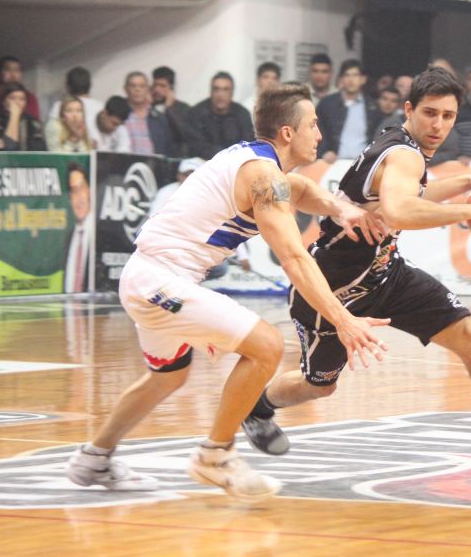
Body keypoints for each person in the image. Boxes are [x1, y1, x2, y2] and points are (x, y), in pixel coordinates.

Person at [242, 67, 471, 487]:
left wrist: (466, 183)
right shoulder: (406, 155)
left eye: (448, 116)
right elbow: (401, 210)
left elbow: (407, 195)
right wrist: (470, 210)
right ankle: (257, 407)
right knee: (319, 386)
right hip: (333, 286)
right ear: (409, 109)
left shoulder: (400, 146)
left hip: (387, 274)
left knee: (470, 336)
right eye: (430, 114)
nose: (438, 125)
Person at [65, 84, 389, 501]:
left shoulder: (261, 165)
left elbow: (303, 191)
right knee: (267, 346)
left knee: (167, 376)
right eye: (313, 124)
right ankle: (215, 455)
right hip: (159, 281)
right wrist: (343, 320)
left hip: (152, 278)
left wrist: (340, 208)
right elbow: (294, 258)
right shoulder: (263, 175)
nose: (320, 134)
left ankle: (94, 457)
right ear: (288, 133)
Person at [316, 59, 382, 162]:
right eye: (347, 75)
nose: (351, 80)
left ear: (363, 79)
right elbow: (317, 131)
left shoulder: (373, 107)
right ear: (341, 79)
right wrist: (324, 152)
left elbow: (379, 136)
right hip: (332, 163)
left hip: (363, 164)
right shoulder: (326, 104)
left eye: (355, 75)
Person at [188, 72, 254, 159]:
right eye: (216, 89)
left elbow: (248, 144)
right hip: (204, 162)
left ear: (232, 93)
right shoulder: (196, 113)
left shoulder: (242, 114)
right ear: (211, 92)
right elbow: (197, 146)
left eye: (225, 89)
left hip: (235, 160)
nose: (220, 94)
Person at [123, 71, 177, 156]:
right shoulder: (119, 115)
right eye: (133, 86)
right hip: (124, 162)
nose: (137, 90)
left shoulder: (158, 117)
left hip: (152, 162)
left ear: (148, 89)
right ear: (125, 89)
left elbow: (168, 147)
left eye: (142, 86)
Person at [47, 66, 102, 140]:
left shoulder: (59, 106)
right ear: (90, 85)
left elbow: (51, 135)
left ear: (67, 86)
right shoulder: (101, 107)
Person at [0, 55, 41, 120]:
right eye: (8, 70)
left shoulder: (29, 97)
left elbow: (34, 121)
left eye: (17, 70)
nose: (13, 74)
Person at [151, 66, 194, 158]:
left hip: (175, 157)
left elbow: (184, 135)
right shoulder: (148, 107)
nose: (157, 90)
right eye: (155, 85)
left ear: (171, 88)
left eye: (162, 86)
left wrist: (169, 109)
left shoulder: (183, 108)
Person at [64, 162, 92, 293]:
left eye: (82, 188)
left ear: (90, 191)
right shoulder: (68, 239)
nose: (79, 198)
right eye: (74, 191)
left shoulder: (100, 235)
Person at [0, 82, 45, 151]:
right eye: (12, 98)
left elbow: (40, 150)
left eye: (22, 99)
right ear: (4, 102)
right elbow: (9, 147)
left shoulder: (33, 123)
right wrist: (14, 116)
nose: (17, 102)